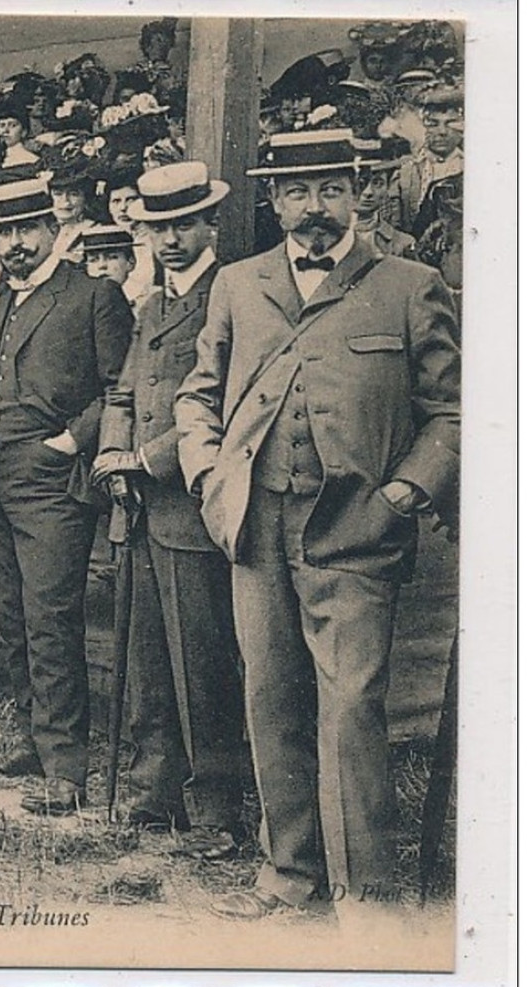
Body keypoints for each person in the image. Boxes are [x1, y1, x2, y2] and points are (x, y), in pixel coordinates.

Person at [174, 129, 460, 920]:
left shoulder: (409, 284)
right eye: (297, 192)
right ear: (274, 202)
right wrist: (205, 473)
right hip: (257, 530)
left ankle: (364, 894)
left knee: (352, 708)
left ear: (357, 192)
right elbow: (197, 395)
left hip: (356, 530)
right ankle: (288, 877)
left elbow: (450, 411)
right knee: (269, 697)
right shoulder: (237, 283)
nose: (314, 208)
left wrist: (405, 490)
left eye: (330, 188)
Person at [0, 178, 133, 814]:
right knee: (14, 617)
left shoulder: (93, 295)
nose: (16, 245)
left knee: (51, 620)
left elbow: (120, 388)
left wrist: (73, 442)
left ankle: (65, 766)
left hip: (52, 486)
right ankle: (33, 737)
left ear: (52, 228)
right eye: (5, 233)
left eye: (27, 231)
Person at [91, 161, 248, 858]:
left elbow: (223, 402)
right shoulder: (149, 304)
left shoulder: (234, 292)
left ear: (209, 223)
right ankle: (154, 794)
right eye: (158, 229)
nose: (172, 240)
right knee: (147, 652)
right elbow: (122, 391)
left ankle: (215, 808)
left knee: (201, 658)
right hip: (138, 507)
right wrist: (111, 454)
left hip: (189, 504)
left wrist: (145, 459)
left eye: (184, 224)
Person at [391, 82, 463, 235]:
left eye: (450, 124)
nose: (442, 132)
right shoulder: (405, 173)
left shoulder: (473, 169)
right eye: (433, 124)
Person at [352, 138, 417, 260]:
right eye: (360, 183)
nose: (368, 192)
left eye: (377, 183)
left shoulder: (403, 244)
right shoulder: (327, 239)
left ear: (388, 186)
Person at [80, 223, 140, 303]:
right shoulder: (82, 302)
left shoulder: (144, 299)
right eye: (93, 260)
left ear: (130, 262)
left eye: (112, 257)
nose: (102, 265)